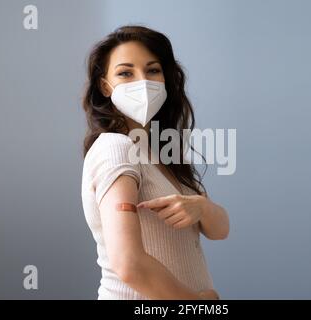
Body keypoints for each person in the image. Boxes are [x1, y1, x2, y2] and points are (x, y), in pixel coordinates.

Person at [81, 25, 229, 300]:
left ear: (166, 79)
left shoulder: (162, 152)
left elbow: (220, 229)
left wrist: (203, 208)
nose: (142, 82)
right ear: (105, 86)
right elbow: (129, 263)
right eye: (126, 73)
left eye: (153, 70)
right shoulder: (116, 148)